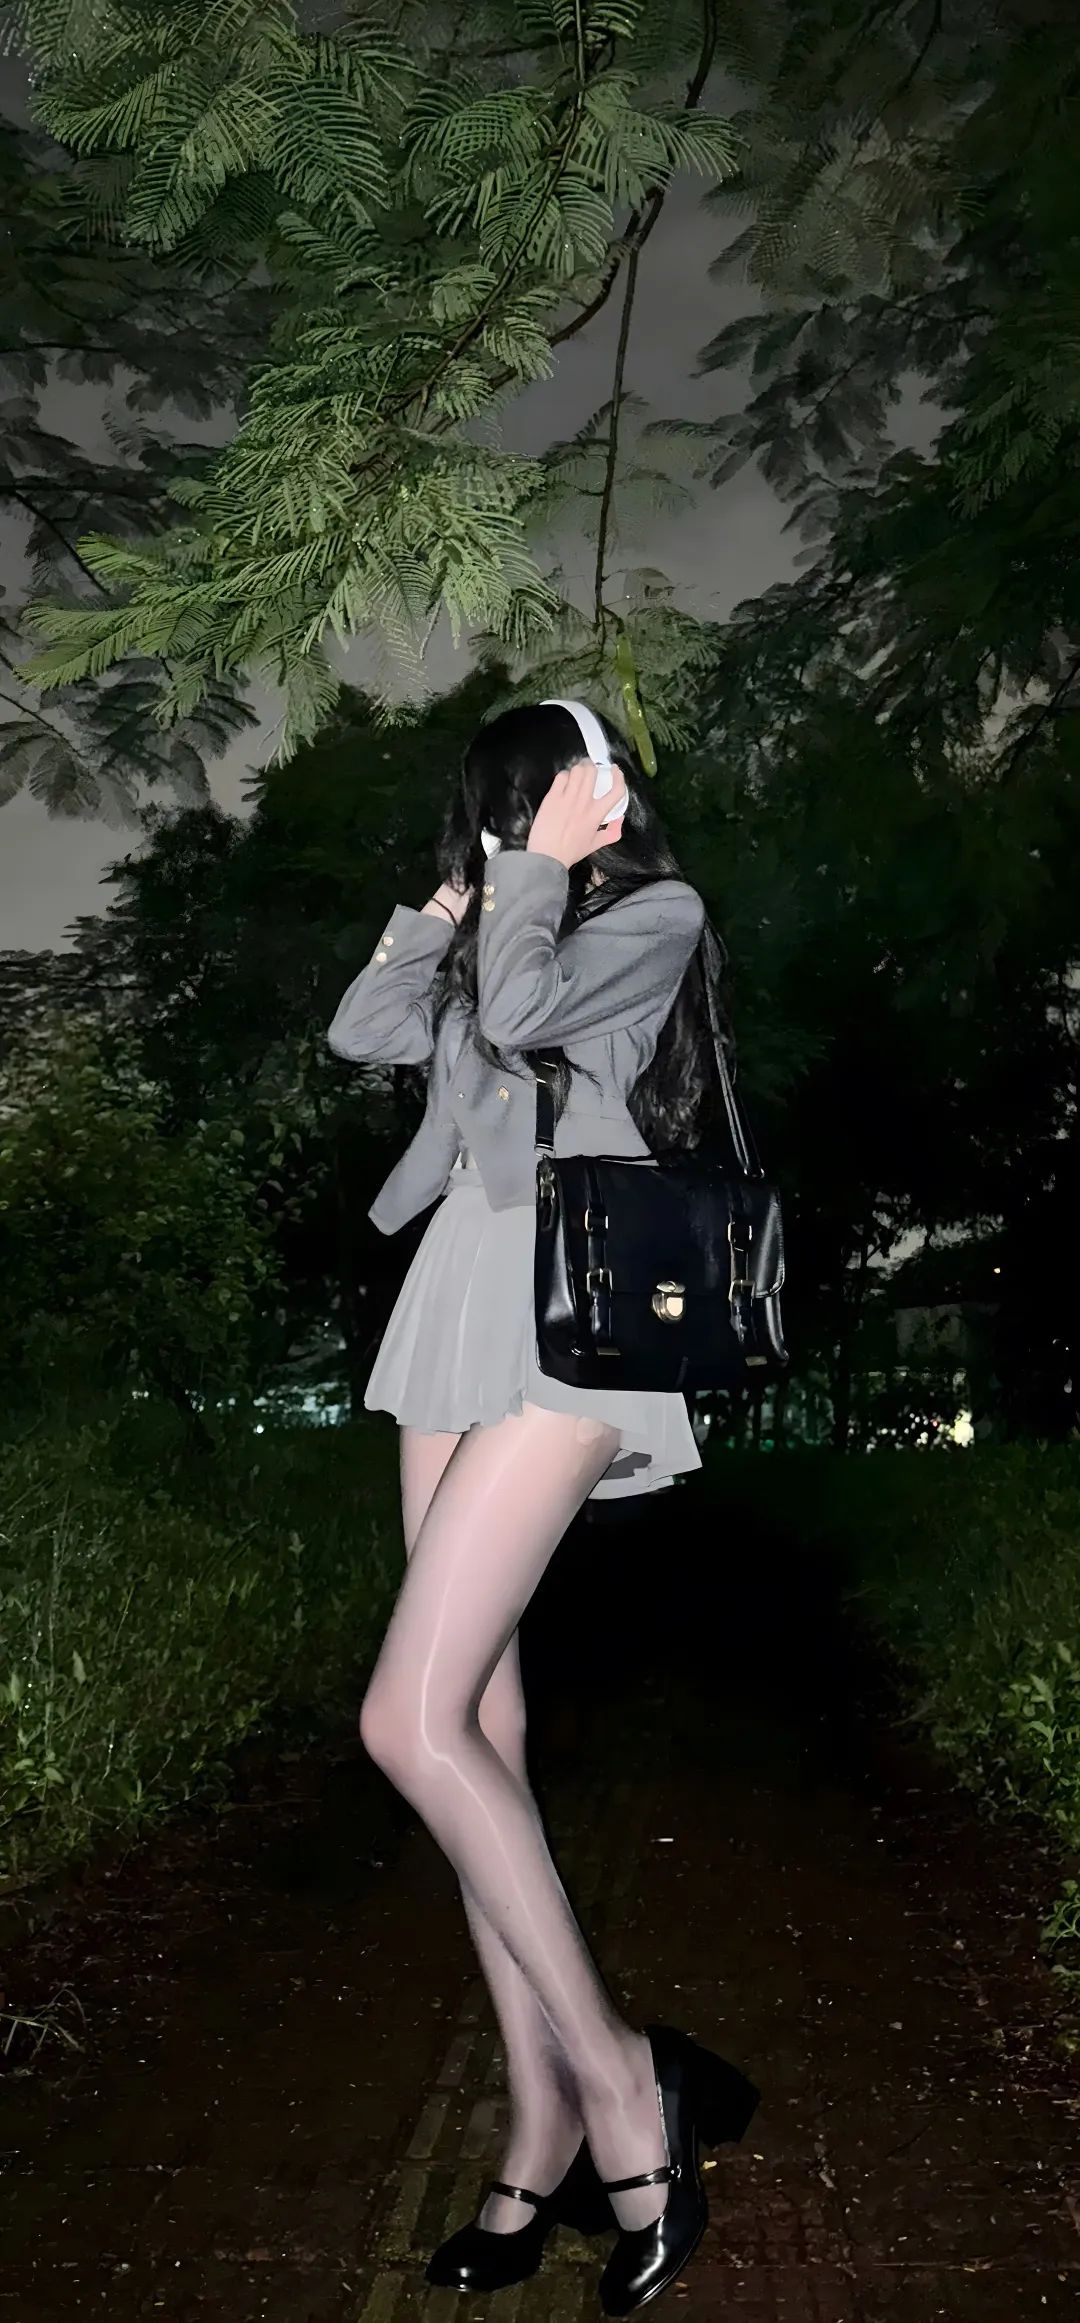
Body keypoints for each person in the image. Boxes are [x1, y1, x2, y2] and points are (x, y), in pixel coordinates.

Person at [327, 700, 758, 2314]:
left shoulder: (658, 913)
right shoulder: (498, 908)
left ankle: (625, 2079)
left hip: (575, 1311)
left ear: (609, 795)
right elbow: (368, 1034)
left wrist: (529, 883)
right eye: (511, 804)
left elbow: (521, 1021)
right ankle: (538, 2125)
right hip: (456, 1297)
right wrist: (452, 897)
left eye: (558, 792)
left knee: (406, 1721)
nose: (538, 819)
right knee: (475, 1736)